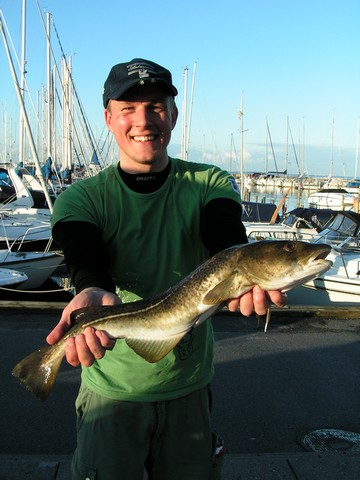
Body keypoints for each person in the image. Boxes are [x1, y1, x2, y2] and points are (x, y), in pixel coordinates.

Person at [47, 58, 285, 480]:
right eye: (128, 109)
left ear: (173, 115)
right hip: (111, 393)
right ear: (108, 118)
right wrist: (90, 289)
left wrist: (245, 276)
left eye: (156, 106)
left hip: (189, 390)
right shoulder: (79, 199)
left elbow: (227, 240)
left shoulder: (210, 183)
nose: (144, 121)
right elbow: (85, 258)